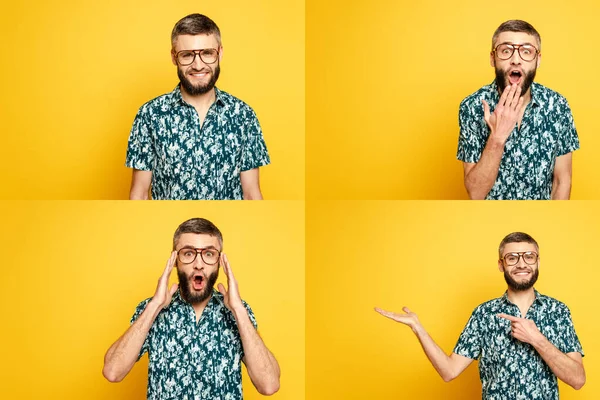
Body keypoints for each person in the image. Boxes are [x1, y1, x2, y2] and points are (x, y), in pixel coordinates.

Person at [375, 232, 585, 399]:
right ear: (501, 265)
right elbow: (449, 371)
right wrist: (417, 327)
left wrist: (536, 338)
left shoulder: (558, 311)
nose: (522, 264)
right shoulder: (484, 314)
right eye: (512, 258)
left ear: (538, 262)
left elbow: (578, 379)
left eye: (529, 256)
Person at [102, 218, 280, 399]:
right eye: (188, 253)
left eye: (209, 254)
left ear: (220, 261)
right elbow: (113, 371)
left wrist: (238, 310)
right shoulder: (151, 310)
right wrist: (155, 306)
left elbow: (269, 384)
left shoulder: (238, 312)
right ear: (175, 260)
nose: (199, 264)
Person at [126, 14, 270, 200]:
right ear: (173, 57)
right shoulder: (150, 115)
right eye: (187, 55)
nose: (198, 65)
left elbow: (251, 192)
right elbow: (140, 193)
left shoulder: (243, 115)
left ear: (220, 53)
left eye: (207, 53)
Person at [457, 20, 579, 200]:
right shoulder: (472, 106)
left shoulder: (558, 106)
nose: (515, 60)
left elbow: (562, 181)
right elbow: (475, 193)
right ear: (493, 58)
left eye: (526, 51)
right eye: (506, 51)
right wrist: (497, 138)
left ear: (538, 60)